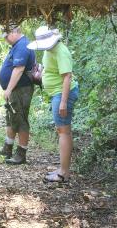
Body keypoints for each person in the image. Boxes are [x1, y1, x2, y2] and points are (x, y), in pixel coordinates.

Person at [28, 25, 79, 183]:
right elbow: (51, 69)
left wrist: (63, 102)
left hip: (63, 94)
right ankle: (63, 169)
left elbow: (67, 78)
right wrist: (41, 73)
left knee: (63, 131)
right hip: (56, 93)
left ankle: (63, 173)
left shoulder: (61, 51)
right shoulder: (49, 50)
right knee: (62, 130)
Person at [0, 26, 36, 165]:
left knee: (20, 119)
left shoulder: (22, 45)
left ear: (15, 32)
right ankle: (8, 147)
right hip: (15, 89)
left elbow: (19, 69)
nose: (5, 39)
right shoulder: (17, 45)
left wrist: (8, 89)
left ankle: (21, 153)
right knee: (11, 118)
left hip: (20, 89)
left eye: (7, 36)